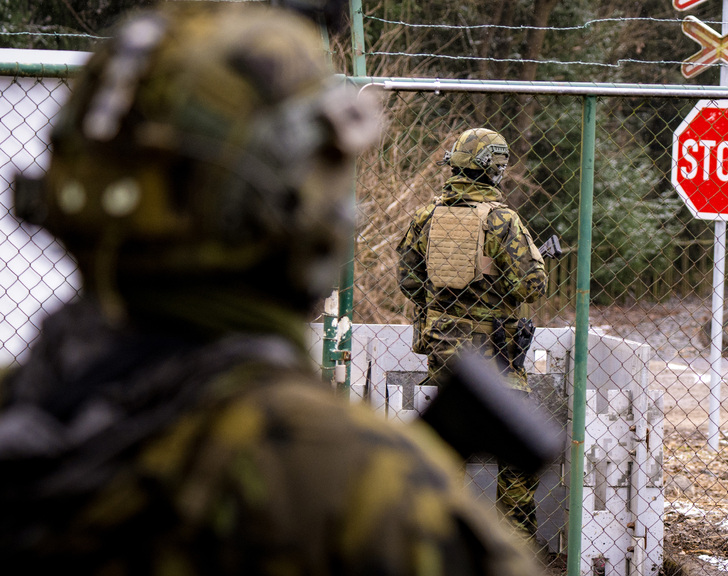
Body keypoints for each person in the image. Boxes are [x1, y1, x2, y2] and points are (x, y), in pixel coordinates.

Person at [0, 3, 541, 575]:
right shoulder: (371, 494)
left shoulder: (25, 412)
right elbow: (530, 280)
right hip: (487, 347)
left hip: (439, 339)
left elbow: (409, 276)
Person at [396, 128, 548, 539]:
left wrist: (448, 300)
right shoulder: (502, 220)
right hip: (497, 359)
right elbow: (530, 286)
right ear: (494, 168)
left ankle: (441, 544)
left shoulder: (425, 217)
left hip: (446, 358)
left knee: (446, 460)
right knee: (515, 466)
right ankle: (514, 546)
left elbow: (409, 280)